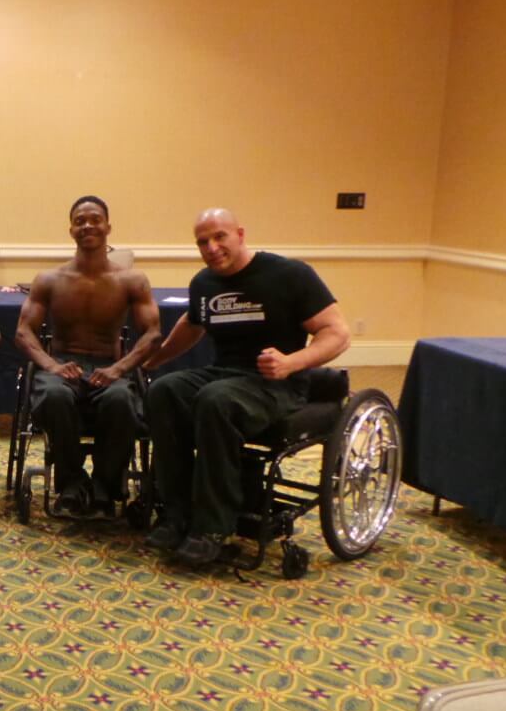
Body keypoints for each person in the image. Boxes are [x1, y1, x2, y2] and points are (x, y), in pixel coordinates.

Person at [144, 207, 351, 565]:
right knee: (163, 391)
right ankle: (176, 515)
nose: (211, 248)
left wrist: (291, 362)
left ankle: (212, 527)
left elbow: (338, 333)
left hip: (278, 384)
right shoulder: (204, 283)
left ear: (240, 234)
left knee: (215, 400)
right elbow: (192, 324)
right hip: (225, 374)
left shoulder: (289, 274)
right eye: (202, 242)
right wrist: (154, 360)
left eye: (219, 237)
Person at [14, 197, 162, 517]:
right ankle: (71, 483)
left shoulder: (131, 280)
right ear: (71, 230)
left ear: (108, 227)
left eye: (95, 219)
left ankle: (104, 488)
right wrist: (52, 365)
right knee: (54, 396)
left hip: (110, 366)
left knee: (121, 400)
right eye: (80, 221)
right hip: (62, 365)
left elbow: (152, 334)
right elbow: (24, 332)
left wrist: (118, 369)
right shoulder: (49, 279)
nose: (87, 226)